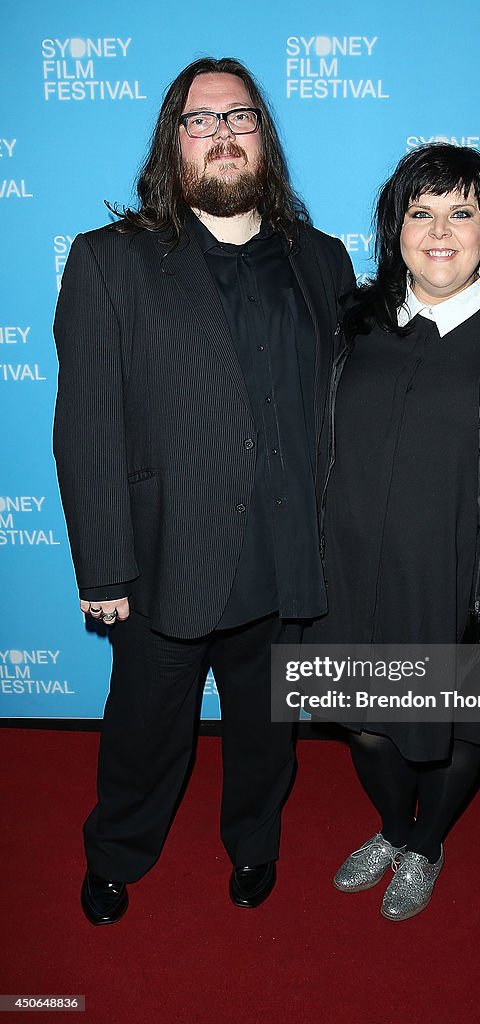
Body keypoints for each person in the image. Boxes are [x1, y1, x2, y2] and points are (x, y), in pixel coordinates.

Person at [53, 56, 354, 925]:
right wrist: (104, 567)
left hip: (287, 554)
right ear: (172, 143)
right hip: (164, 556)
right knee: (146, 732)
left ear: (264, 138)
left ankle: (254, 843)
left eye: (240, 117)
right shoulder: (110, 263)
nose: (223, 133)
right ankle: (117, 852)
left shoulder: (322, 260)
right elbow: (87, 425)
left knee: (267, 734)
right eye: (200, 120)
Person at [307, 144, 480, 921]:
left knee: (459, 735)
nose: (440, 230)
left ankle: (426, 844)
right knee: (366, 728)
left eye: (460, 211)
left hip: (470, 585)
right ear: (393, 228)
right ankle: (392, 829)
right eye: (420, 211)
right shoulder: (351, 324)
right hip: (354, 579)